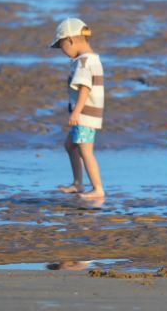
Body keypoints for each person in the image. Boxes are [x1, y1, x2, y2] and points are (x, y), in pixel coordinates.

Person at [49, 18, 105, 200]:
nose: (63, 52)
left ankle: (97, 188)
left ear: (70, 40)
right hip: (86, 114)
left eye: (61, 46)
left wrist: (76, 112)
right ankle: (77, 183)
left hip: (84, 115)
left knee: (85, 150)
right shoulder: (91, 59)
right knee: (70, 145)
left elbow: (84, 88)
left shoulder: (84, 61)